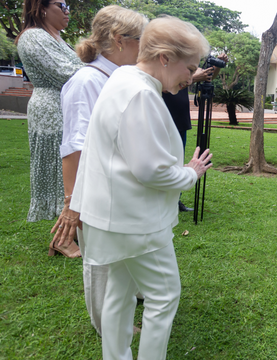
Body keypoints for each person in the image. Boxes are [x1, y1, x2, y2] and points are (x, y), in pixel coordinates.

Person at [70, 16, 212, 359]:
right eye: (189, 67)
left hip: (112, 217)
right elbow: (151, 170)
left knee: (119, 292)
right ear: (164, 57)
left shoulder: (122, 80)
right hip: (135, 221)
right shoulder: (140, 93)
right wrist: (191, 173)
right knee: (164, 295)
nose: (191, 77)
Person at [49, 5, 147, 336]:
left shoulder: (118, 78)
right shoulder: (87, 82)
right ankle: (107, 325)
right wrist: (71, 204)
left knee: (121, 253)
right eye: (141, 41)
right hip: (96, 191)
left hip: (117, 186)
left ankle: (125, 305)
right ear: (119, 40)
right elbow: (75, 146)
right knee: (101, 261)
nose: (145, 49)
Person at [16, 0, 83, 230]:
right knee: (59, 171)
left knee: (71, 168)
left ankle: (71, 230)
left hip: (66, 107)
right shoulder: (33, 37)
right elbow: (68, 73)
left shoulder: (57, 38)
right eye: (61, 5)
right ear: (41, 8)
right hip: (51, 111)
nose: (67, 11)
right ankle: (63, 235)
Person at [163, 53, 227, 212]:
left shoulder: (185, 64)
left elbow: (207, 77)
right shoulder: (164, 65)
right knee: (165, 160)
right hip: (165, 119)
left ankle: (175, 201)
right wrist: (192, 79)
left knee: (178, 161)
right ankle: (162, 201)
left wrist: (216, 67)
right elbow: (165, 87)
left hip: (181, 119)